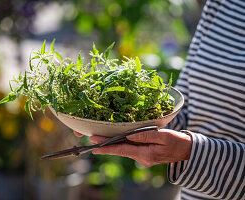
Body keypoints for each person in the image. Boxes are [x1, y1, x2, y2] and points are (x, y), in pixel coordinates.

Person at [74, 0, 245, 199]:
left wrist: (191, 152)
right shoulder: (225, 4)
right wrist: (121, 120)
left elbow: (192, 145)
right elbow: (187, 107)